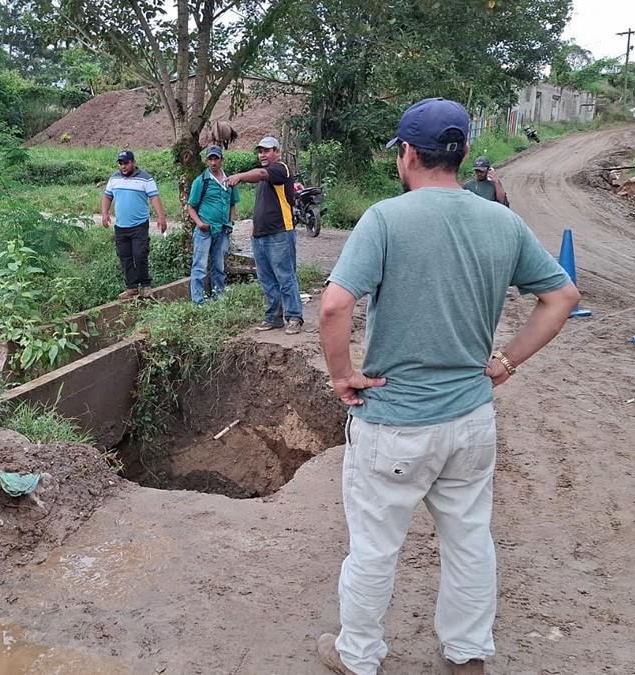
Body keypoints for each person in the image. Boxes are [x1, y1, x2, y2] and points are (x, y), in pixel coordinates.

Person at [314, 97, 580, 675]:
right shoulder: (501, 221)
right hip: (470, 419)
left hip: (395, 422)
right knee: (468, 539)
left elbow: (334, 307)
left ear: (408, 154)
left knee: (376, 547)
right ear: (462, 155)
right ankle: (466, 654)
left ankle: (357, 654)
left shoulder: (385, 218)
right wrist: (505, 362)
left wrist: (342, 377)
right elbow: (561, 297)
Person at [226, 136, 303, 334]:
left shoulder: (280, 169)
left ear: (277, 152)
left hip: (280, 232)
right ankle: (273, 318)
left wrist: (240, 176)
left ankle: (294, 317)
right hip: (260, 235)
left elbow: (260, 173)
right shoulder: (264, 179)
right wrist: (254, 229)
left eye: (267, 151)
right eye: (260, 151)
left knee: (285, 276)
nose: (262, 155)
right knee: (267, 279)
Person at [101, 150, 168, 299]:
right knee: (125, 257)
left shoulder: (145, 179)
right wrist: (104, 213)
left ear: (133, 163)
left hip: (139, 225)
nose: (123, 166)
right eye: (120, 163)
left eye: (126, 163)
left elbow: (154, 198)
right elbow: (107, 196)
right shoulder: (114, 179)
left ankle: (145, 285)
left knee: (140, 254)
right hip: (121, 226)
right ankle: (131, 287)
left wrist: (161, 217)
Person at [186, 144, 239, 304]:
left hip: (222, 230)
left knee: (219, 266)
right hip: (205, 230)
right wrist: (200, 224)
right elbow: (191, 207)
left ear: (221, 160)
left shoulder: (229, 181)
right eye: (211, 159)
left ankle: (219, 297)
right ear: (207, 161)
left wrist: (230, 221)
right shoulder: (201, 181)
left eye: (216, 158)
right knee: (200, 266)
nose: (214, 162)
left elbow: (232, 203)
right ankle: (198, 300)